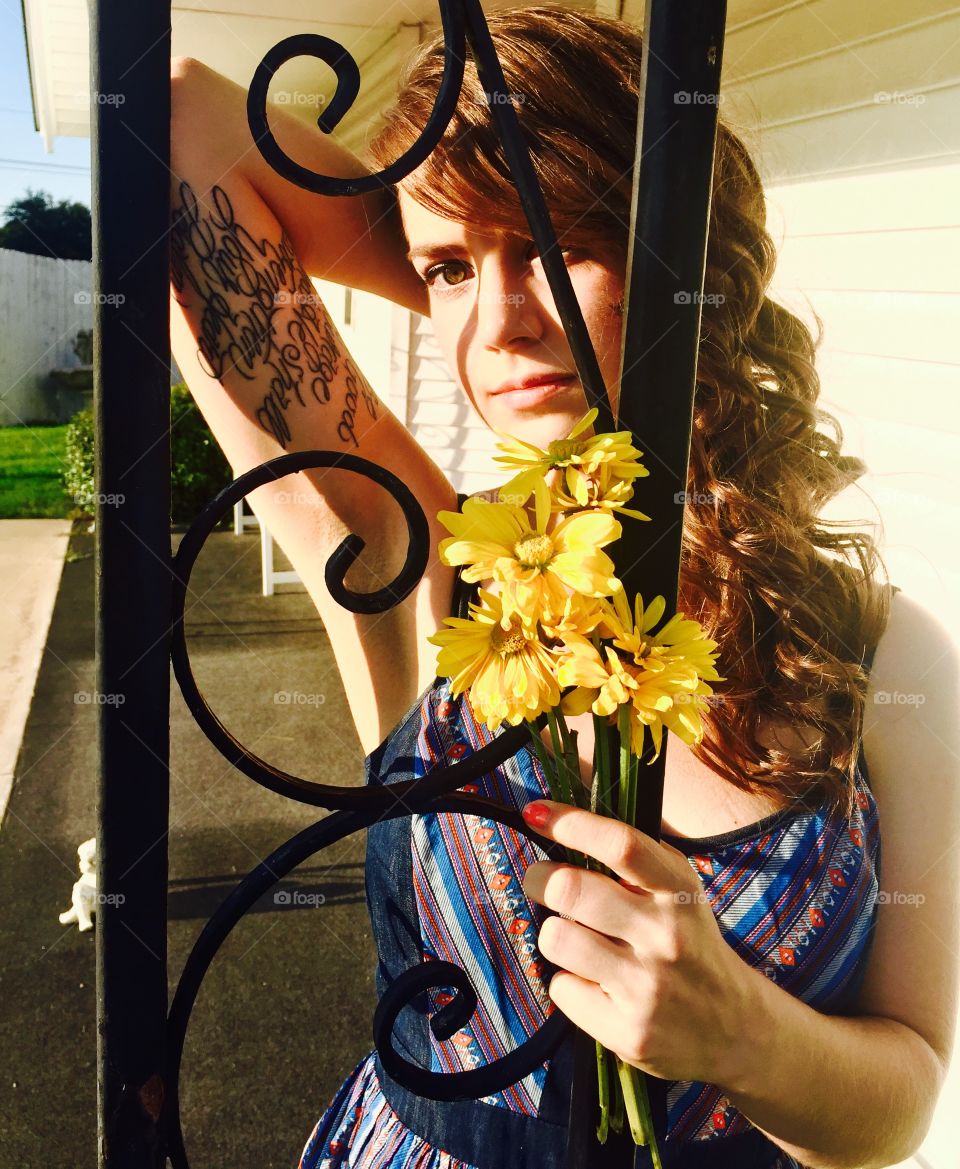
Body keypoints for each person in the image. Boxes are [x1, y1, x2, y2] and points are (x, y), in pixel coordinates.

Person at [168, 7, 958, 1168]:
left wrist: (744, 1034)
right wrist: (487, 252)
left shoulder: (887, 663)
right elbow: (179, 128)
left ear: (681, 249)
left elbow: (903, 1098)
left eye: (560, 242)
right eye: (447, 269)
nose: (495, 323)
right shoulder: (430, 576)